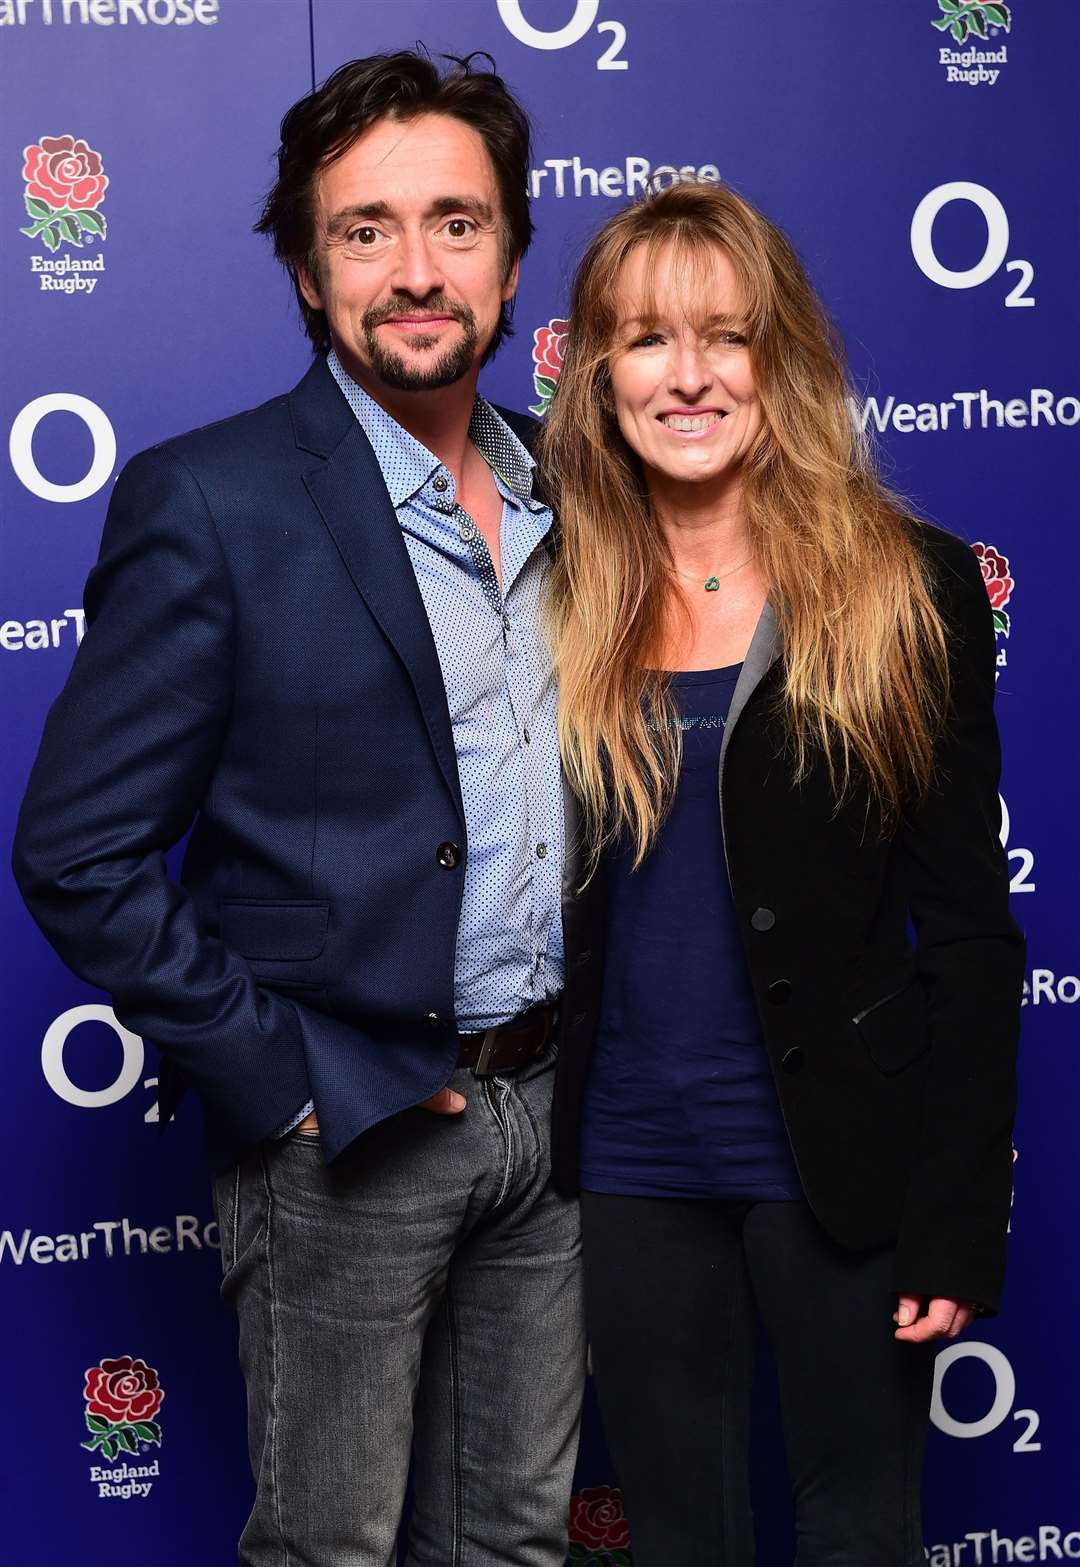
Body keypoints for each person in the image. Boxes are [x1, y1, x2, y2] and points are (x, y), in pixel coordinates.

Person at [13, 51, 584, 1567]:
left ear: (515, 254)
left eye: (457, 224)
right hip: (349, 1131)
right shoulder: (215, 500)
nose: (416, 270)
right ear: (306, 267)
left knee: (516, 1543)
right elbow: (76, 849)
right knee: (333, 1547)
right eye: (365, 230)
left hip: (554, 1115)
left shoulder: (572, 497)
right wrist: (284, 1076)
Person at [541, 182, 1024, 1565]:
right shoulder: (554, 588)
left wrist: (953, 1222)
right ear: (597, 373)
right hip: (630, 1170)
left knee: (860, 1530)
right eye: (645, 340)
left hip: (843, 1167)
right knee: (682, 1540)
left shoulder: (905, 585)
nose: (687, 376)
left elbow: (973, 940)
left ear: (783, 359)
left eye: (726, 336)